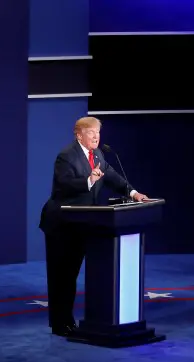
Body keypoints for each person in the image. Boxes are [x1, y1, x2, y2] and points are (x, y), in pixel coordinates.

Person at [38, 116, 150, 336]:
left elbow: (112, 177)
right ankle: (60, 324)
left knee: (72, 274)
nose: (96, 136)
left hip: (84, 223)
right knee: (62, 276)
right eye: (91, 132)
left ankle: (69, 321)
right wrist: (89, 180)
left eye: (98, 132)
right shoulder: (66, 156)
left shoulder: (98, 154)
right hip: (62, 224)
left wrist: (133, 193)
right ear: (79, 135)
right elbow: (64, 185)